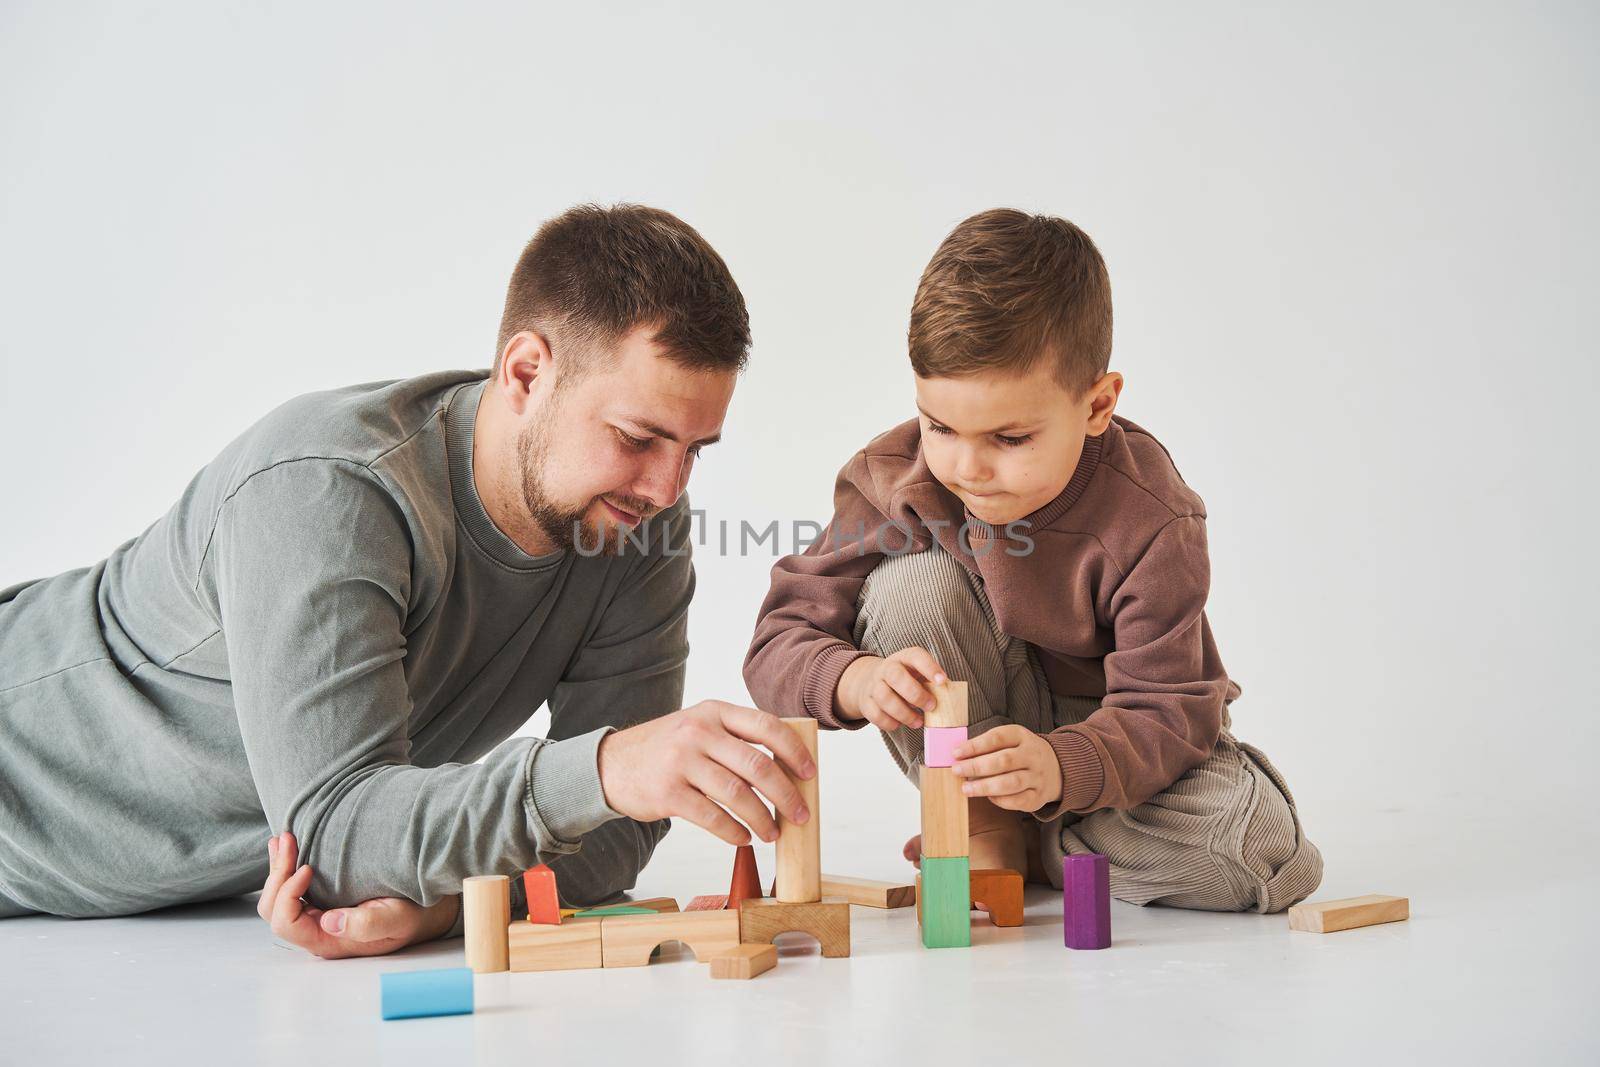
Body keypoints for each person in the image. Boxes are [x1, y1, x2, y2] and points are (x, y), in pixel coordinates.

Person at [0, 204, 816, 957]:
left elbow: (609, 834)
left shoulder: (636, 526)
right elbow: (339, 836)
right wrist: (605, 769)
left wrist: (448, 906)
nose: (668, 488)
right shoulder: (325, 487)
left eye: (695, 449)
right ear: (527, 373)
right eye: (639, 437)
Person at [744, 209, 1322, 913]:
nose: (968, 466)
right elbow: (778, 643)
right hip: (983, 725)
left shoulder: (1150, 514)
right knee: (906, 588)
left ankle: (1037, 844)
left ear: (1098, 404)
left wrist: (1058, 767)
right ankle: (985, 823)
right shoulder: (894, 480)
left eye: (1010, 437)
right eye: (940, 426)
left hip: (1123, 748)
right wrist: (857, 681)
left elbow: (1168, 708)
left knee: (1253, 850)